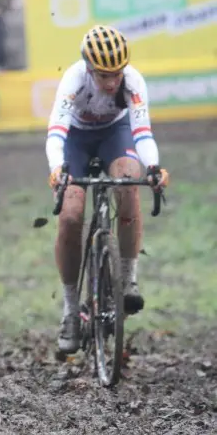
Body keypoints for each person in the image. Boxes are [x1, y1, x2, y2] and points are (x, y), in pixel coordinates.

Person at [46, 25, 170, 353]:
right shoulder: (73, 80)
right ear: (89, 68)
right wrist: (57, 169)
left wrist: (154, 167)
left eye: (117, 72)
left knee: (129, 182)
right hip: (76, 139)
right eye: (104, 75)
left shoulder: (133, 81)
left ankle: (128, 278)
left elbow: (142, 132)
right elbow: (56, 132)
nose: (112, 81)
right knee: (71, 216)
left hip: (115, 134)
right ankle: (71, 311)